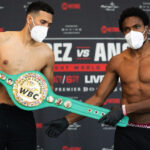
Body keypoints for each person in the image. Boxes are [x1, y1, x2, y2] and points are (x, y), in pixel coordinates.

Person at [45, 7, 150, 150]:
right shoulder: (118, 61)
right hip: (127, 130)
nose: (132, 32)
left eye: (136, 27)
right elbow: (98, 98)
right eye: (127, 29)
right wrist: (67, 120)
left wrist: (124, 109)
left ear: (146, 29)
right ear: (123, 33)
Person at [0, 1, 54, 150]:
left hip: (23, 115)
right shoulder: (2, 40)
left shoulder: (46, 53)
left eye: (49, 25)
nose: (45, 28)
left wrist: (36, 91)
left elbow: (49, 89)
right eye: (42, 22)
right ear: (29, 19)